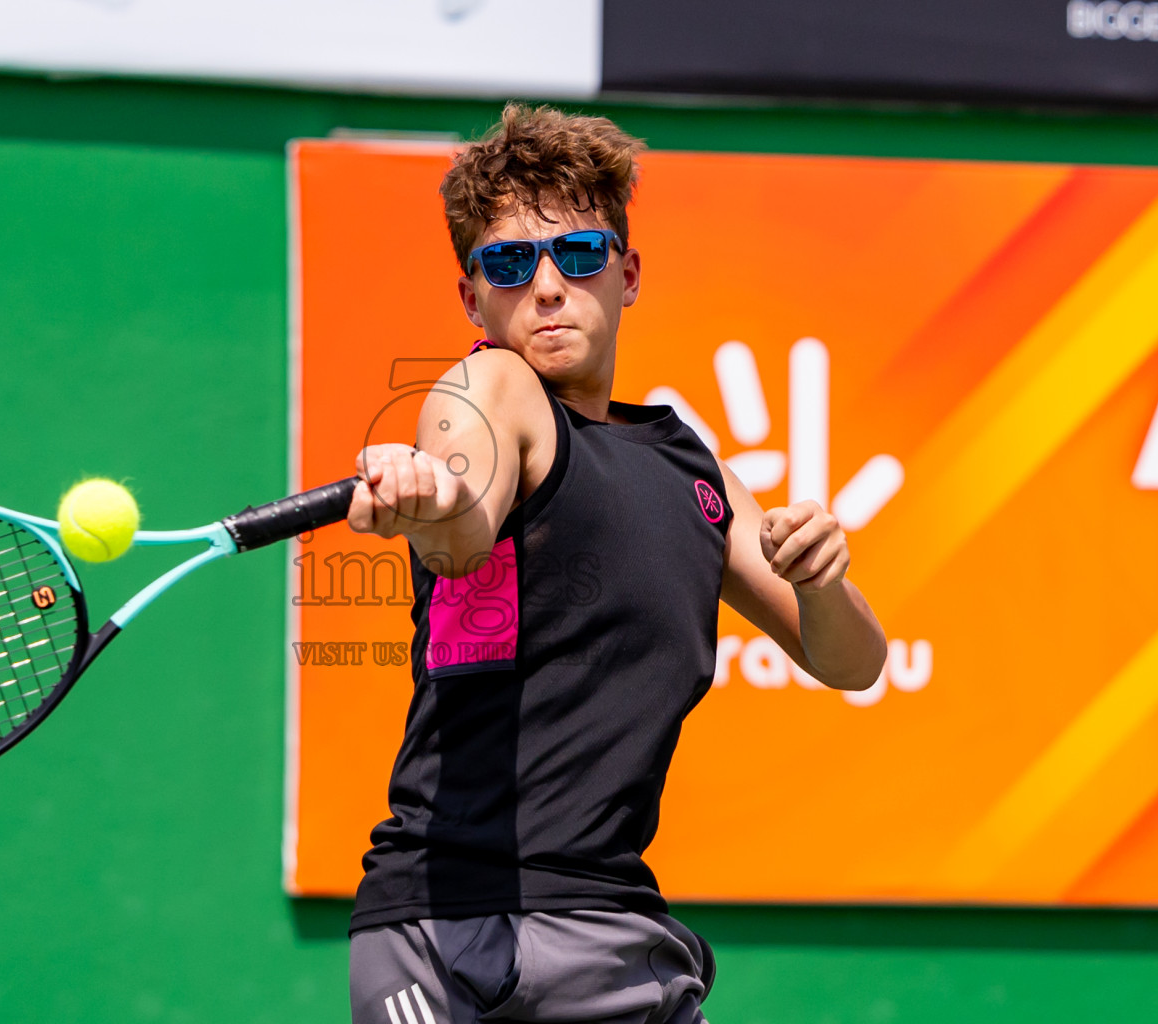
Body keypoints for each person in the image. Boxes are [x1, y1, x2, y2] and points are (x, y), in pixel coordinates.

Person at [344, 103, 887, 1024]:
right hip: (457, 930)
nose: (548, 287)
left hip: (616, 934)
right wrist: (429, 503)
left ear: (626, 274)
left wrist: (822, 577)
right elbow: (465, 527)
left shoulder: (690, 467)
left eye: (580, 254)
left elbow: (853, 660)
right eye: (511, 264)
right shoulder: (490, 387)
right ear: (474, 299)